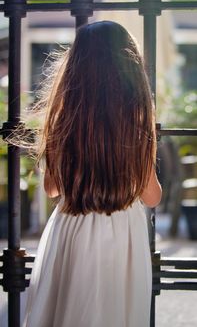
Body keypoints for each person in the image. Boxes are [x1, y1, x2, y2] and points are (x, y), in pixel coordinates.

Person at [23, 20, 162, 327]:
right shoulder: (138, 121)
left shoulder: (65, 120)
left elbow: (51, 188)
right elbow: (152, 197)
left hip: (73, 226)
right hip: (124, 232)